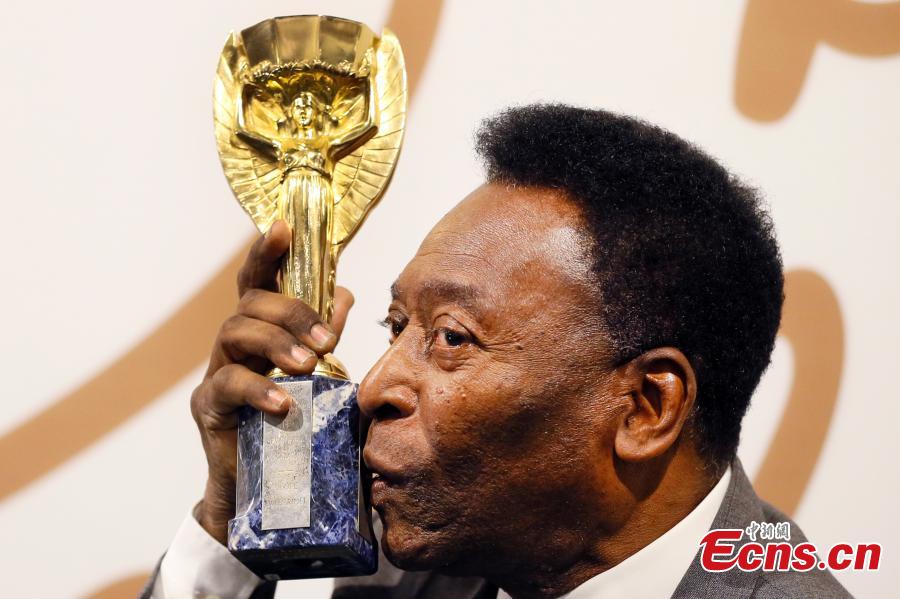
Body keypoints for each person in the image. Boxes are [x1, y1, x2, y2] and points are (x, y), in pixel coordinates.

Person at [144, 104, 850, 598]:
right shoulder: (399, 584)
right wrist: (232, 521)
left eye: (452, 338)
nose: (373, 388)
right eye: (396, 327)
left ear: (646, 406)